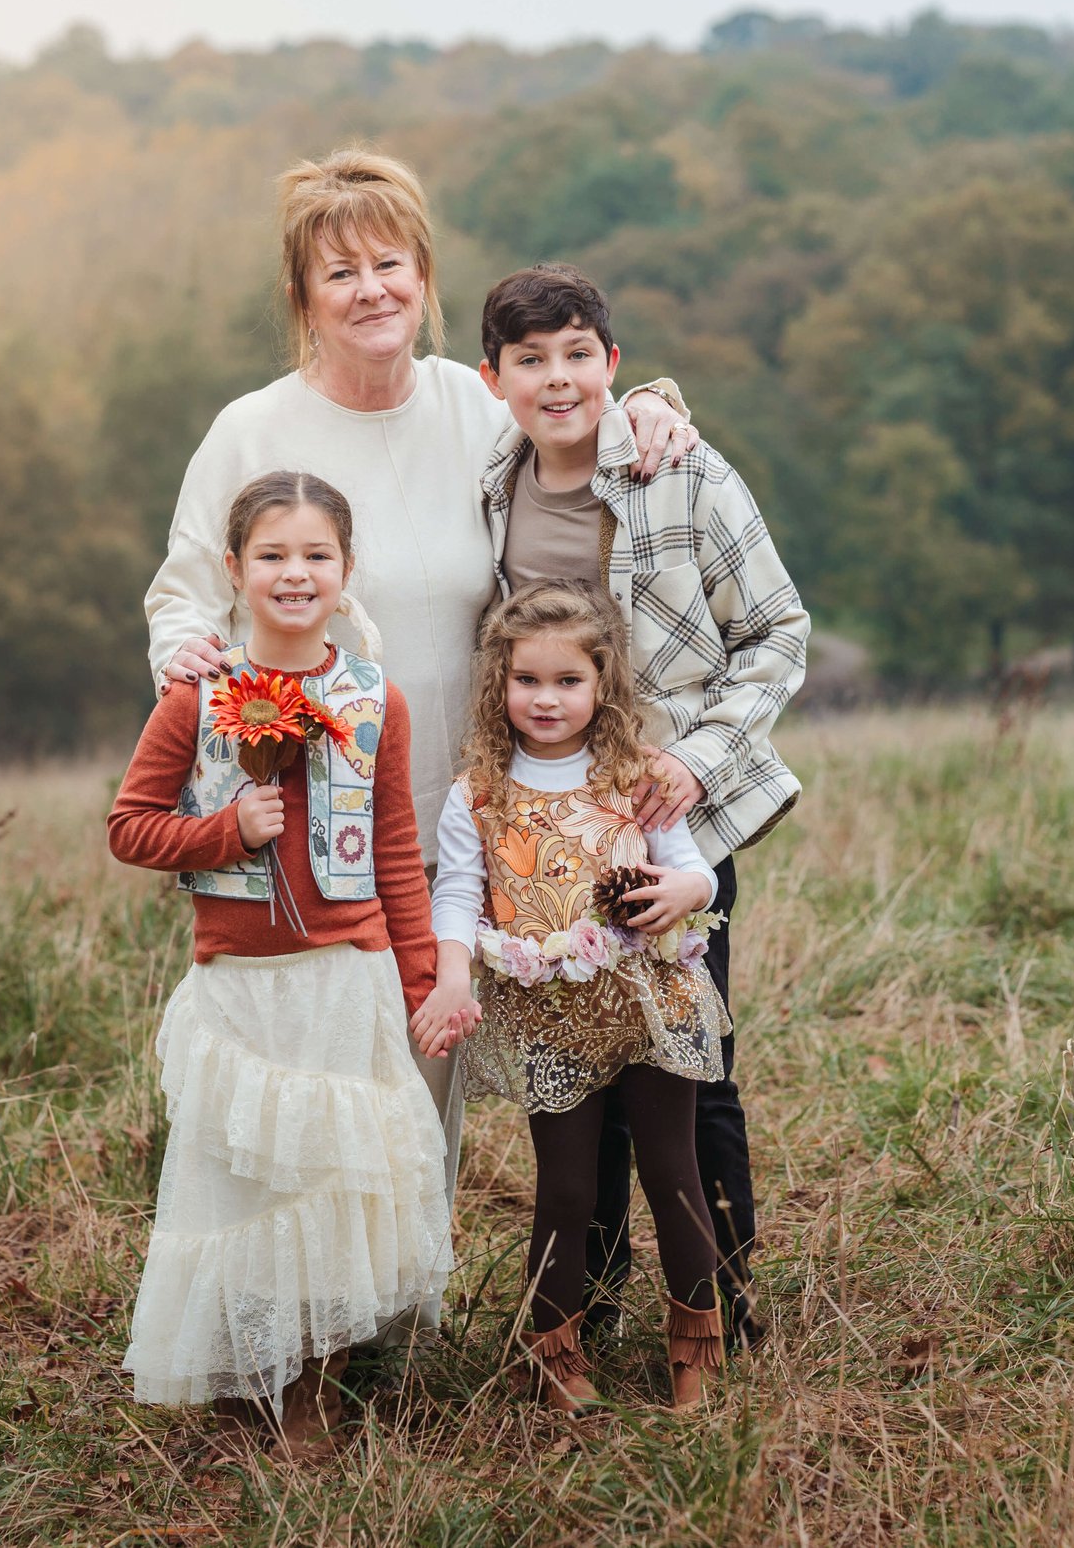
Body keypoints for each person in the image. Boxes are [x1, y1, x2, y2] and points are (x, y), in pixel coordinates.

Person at [144, 149, 699, 1199]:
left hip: (464, 809)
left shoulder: (476, 406)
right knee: (314, 1066)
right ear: (302, 297)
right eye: (339, 272)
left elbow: (577, 419)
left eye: (389, 263)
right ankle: (301, 1323)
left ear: (425, 276)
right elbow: (183, 590)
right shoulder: (251, 429)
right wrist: (185, 652)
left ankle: (399, 1317)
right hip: (309, 815)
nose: (371, 290)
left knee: (428, 1055)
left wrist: (656, 403)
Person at [470, 263, 809, 1349]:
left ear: (612, 365)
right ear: (497, 379)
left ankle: (723, 1302)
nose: (557, 378)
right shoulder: (490, 482)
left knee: (685, 1066)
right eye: (532, 360)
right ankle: (592, 1301)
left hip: (668, 821)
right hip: (546, 828)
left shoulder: (687, 472)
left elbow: (777, 630)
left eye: (578, 354)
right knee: (577, 1071)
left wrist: (703, 761)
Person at [108, 470, 449, 1458]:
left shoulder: (373, 699)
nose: (293, 573)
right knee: (243, 1184)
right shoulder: (198, 698)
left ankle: (314, 1390)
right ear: (233, 569)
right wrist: (223, 829)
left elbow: (393, 851)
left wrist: (420, 981)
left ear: (346, 573)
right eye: (271, 555)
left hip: (345, 977)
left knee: (336, 1188)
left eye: (315, 555)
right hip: (241, 982)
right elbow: (130, 826)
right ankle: (239, 1376)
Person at [416, 582, 732, 1410]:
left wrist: (680, 892)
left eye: (567, 682)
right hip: (548, 1012)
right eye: (528, 681)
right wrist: (453, 971)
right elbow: (456, 891)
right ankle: (552, 1352)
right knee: (565, 1186)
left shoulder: (633, 777)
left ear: (603, 684)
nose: (546, 699)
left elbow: (694, 864)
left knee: (672, 1168)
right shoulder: (477, 794)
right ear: (501, 683)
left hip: (646, 999)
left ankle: (697, 1344)